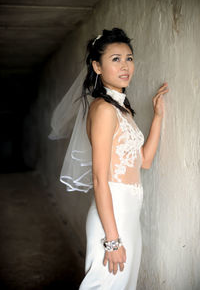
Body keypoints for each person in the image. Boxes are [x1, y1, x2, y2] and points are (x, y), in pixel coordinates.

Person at [49, 27, 169, 289]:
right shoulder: (103, 109)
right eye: (115, 59)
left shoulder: (122, 109)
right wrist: (112, 241)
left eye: (129, 58)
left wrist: (158, 116)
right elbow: (99, 178)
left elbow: (144, 161)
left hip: (129, 216)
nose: (125, 66)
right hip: (111, 218)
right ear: (97, 66)